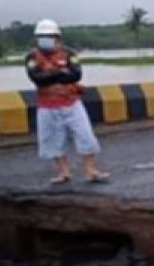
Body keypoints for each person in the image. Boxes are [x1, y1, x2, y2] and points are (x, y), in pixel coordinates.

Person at [25, 19, 109, 185]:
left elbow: (75, 75)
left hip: (70, 102)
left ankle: (90, 170)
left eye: (49, 36)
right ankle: (64, 172)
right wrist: (60, 73)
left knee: (85, 135)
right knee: (51, 139)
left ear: (57, 37)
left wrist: (51, 74)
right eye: (42, 36)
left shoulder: (69, 54)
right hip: (47, 105)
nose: (45, 39)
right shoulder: (32, 57)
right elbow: (37, 79)